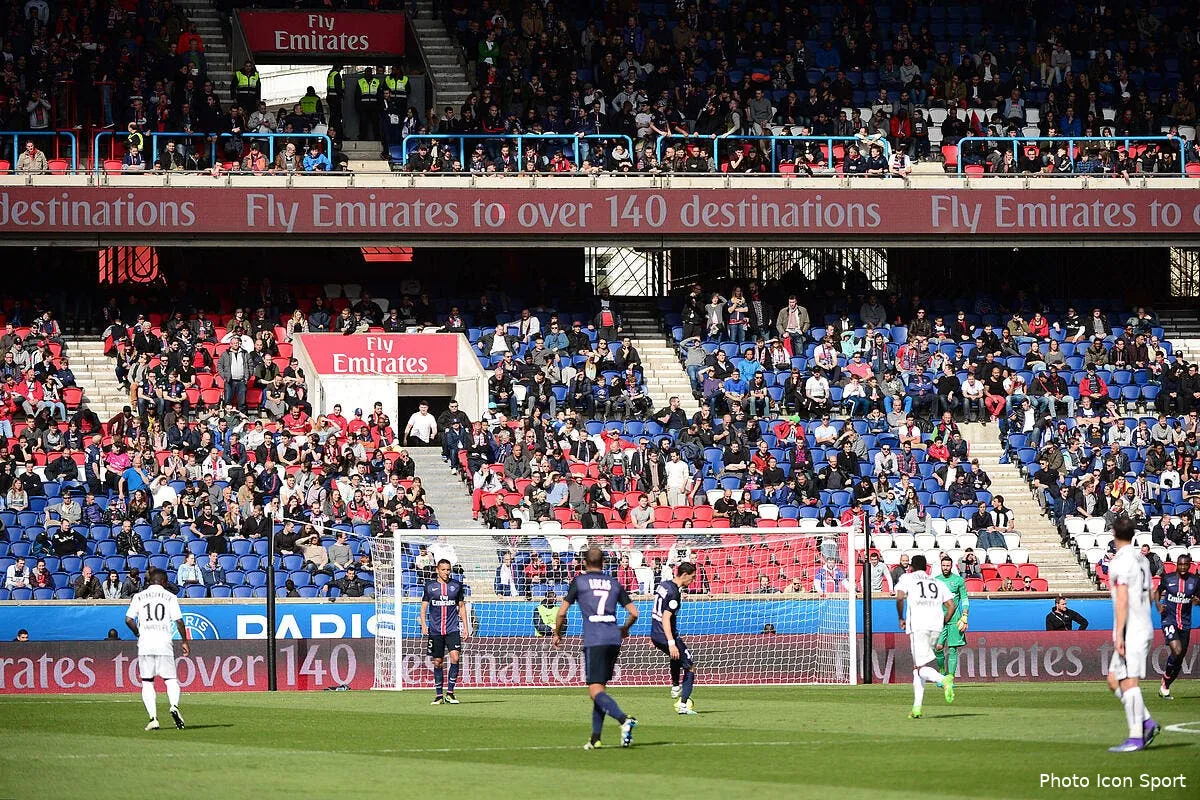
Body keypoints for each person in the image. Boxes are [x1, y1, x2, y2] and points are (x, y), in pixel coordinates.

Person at [553, 546, 639, 749]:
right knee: (599, 689)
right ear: (603, 563)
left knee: (594, 690)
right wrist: (624, 629)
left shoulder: (580, 581)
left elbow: (562, 612)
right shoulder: (613, 582)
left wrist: (557, 633)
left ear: (584, 563)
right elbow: (634, 612)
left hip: (595, 639)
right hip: (613, 638)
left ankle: (623, 719)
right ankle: (595, 738)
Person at [1105, 518, 1158, 752]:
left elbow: (1123, 597)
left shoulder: (1121, 561)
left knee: (1129, 682)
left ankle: (1136, 737)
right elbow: (1153, 590)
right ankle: (1146, 721)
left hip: (1132, 628)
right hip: (1142, 622)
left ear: (1114, 533)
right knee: (1113, 680)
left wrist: (1119, 633)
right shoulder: (1141, 558)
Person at [124, 568, 188, 731]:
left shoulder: (139, 596)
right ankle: (174, 706)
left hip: (145, 643)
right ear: (164, 582)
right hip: (164, 642)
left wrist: (138, 633)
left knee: (147, 682)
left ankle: (153, 719)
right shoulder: (170, 597)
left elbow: (129, 619)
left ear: (150, 581)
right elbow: (179, 621)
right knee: (170, 679)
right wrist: (184, 641)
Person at [895, 554, 955, 719]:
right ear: (927, 567)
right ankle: (917, 708)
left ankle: (943, 680)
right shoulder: (938, 582)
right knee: (917, 669)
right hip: (936, 627)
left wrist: (901, 617)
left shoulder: (907, 578)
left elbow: (900, 597)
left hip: (919, 627)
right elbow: (951, 605)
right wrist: (943, 622)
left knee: (919, 668)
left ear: (911, 567)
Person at [650, 561, 699, 715]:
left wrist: (656, 637)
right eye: (692, 577)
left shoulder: (664, 585)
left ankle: (675, 685)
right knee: (690, 666)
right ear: (684, 575)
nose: (693, 581)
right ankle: (683, 706)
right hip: (666, 635)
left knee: (676, 656)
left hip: (656, 634)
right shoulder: (674, 593)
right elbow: (665, 618)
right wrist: (670, 642)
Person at [420, 558, 469, 704]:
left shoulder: (456, 586)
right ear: (437, 570)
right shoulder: (429, 586)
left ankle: (450, 693)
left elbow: (461, 607)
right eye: (444, 569)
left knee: (455, 658)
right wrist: (423, 624)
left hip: (452, 629)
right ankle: (439, 695)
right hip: (435, 630)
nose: (447, 572)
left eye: (448, 569)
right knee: (438, 662)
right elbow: (423, 608)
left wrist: (466, 627)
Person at [1155, 553, 1199, 700]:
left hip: (1185, 624)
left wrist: (1197, 601)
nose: (1183, 567)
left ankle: (1165, 684)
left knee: (1179, 658)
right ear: (1176, 565)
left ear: (1190, 565)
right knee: (1177, 649)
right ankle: (1166, 681)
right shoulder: (1168, 579)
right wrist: (1158, 604)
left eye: (1186, 564)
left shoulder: (1195, 581)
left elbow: (1199, 598)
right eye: (1180, 564)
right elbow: (1157, 591)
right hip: (1168, 619)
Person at [933, 554, 968, 703]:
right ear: (941, 566)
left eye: (948, 565)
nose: (945, 568)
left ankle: (950, 678)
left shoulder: (958, 581)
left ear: (951, 566)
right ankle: (942, 673)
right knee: (938, 647)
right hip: (940, 620)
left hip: (955, 620)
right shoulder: (937, 581)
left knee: (953, 649)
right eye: (943, 565)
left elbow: (965, 599)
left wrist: (965, 615)